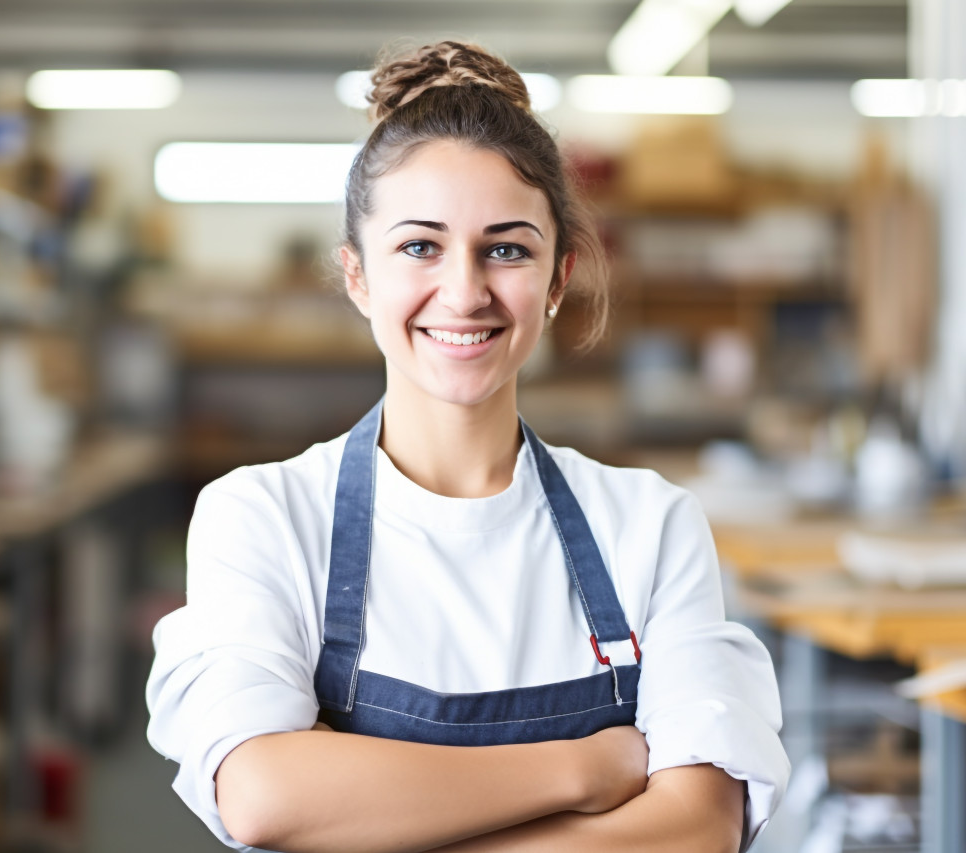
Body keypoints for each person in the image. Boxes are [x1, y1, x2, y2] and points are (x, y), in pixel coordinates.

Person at [147, 40, 790, 853]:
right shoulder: (265, 517)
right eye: (420, 246)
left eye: (507, 248)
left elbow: (697, 827)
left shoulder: (650, 526)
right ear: (357, 276)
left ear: (557, 280)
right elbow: (264, 793)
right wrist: (585, 770)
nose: (464, 291)